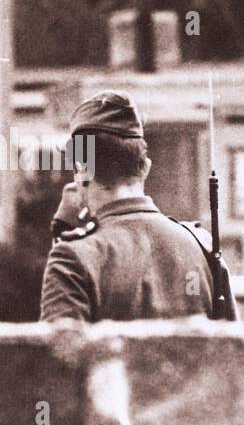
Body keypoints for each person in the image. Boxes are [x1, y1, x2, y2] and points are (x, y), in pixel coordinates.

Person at [40, 90, 237, 322]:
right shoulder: (202, 247)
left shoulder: (73, 259)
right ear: (145, 167)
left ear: (83, 169)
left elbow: (57, 353)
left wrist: (64, 236)